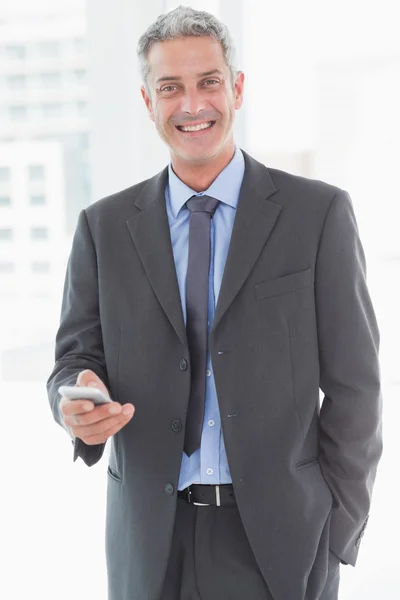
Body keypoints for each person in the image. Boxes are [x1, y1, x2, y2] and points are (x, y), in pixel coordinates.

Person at [46, 6, 383, 600]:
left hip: (281, 541)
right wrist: (75, 402)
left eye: (209, 82)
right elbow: (73, 359)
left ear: (238, 88)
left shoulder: (317, 215)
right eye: (170, 88)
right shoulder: (101, 229)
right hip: (149, 542)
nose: (192, 105)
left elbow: (357, 387)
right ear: (148, 102)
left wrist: (337, 530)